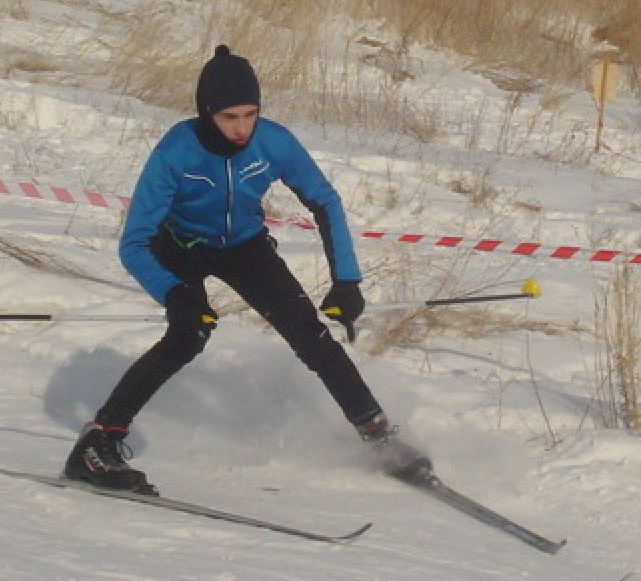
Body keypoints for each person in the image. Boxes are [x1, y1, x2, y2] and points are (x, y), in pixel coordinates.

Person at [63, 45, 427, 495]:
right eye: (229, 117)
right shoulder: (177, 150)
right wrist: (175, 294)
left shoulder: (273, 141)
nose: (240, 128)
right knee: (188, 335)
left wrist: (346, 280)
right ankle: (99, 444)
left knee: (311, 336)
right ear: (207, 113)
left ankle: (379, 436)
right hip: (179, 246)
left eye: (249, 114)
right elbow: (135, 242)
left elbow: (325, 201)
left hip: (243, 247)